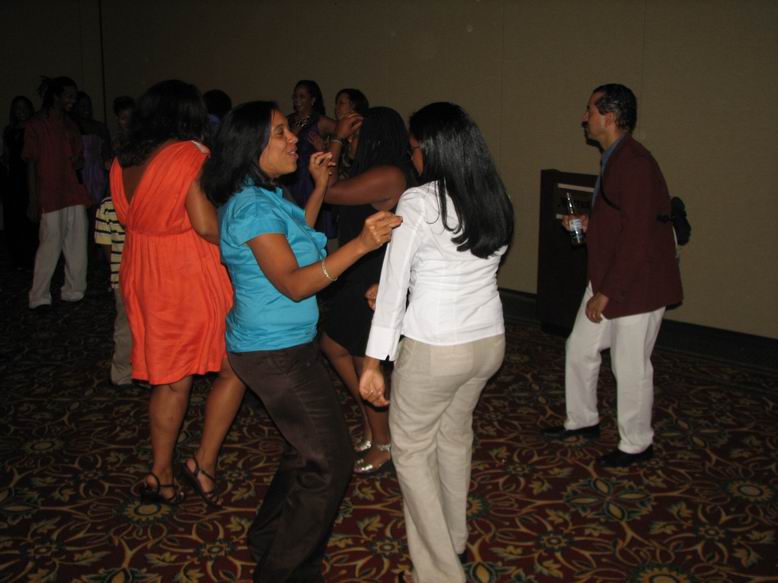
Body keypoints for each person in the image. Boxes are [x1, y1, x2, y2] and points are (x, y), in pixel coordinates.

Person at [200, 100, 401, 582]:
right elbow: (292, 282)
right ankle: (284, 571)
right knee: (331, 461)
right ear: (250, 147)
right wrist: (361, 245)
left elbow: (299, 242)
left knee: (303, 450)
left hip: (282, 345)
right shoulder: (252, 206)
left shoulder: (266, 195)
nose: (294, 137)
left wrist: (321, 187)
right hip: (273, 352)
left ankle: (268, 537)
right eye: (280, 132)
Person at [359, 102, 514, 583]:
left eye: (414, 148)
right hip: (487, 341)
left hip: (435, 348)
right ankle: (455, 538)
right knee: (453, 436)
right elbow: (458, 266)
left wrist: (372, 361)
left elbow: (395, 281)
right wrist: (398, 290)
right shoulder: (493, 194)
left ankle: (441, 573)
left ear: (433, 148)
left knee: (411, 451)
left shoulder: (419, 200)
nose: (412, 157)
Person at [110, 79, 246, 505]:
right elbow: (205, 225)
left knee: (170, 379)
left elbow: (129, 216)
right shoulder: (189, 155)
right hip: (188, 272)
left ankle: (160, 473)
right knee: (236, 365)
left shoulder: (123, 161)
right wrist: (252, 240)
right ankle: (203, 462)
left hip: (143, 269)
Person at [541, 84, 683, 467]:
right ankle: (583, 420)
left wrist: (606, 293)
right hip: (612, 276)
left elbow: (639, 237)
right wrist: (591, 223)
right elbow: (623, 219)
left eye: (589, 110)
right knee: (580, 348)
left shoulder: (634, 164)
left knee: (630, 365)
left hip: (637, 283)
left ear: (610, 116)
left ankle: (637, 443)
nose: (584, 117)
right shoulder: (616, 158)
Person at [321, 106, 414, 475]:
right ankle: (371, 420)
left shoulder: (389, 173)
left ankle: (384, 443)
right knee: (333, 345)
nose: (352, 141)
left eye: (357, 135)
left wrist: (336, 139)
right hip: (359, 273)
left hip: (374, 276)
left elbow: (327, 191)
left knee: (363, 357)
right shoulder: (377, 170)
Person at [24, 76, 92, 310]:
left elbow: (79, 157)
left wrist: (77, 161)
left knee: (77, 243)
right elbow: (31, 162)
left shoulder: (70, 124)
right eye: (68, 96)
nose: (73, 101)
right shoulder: (36, 125)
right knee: (49, 246)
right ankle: (39, 296)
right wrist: (33, 199)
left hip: (73, 190)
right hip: (51, 193)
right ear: (55, 96)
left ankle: (75, 290)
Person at [284, 80, 337, 235]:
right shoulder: (287, 121)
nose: (297, 100)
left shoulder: (320, 121)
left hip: (309, 179)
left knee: (310, 225)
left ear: (312, 100)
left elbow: (343, 135)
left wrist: (325, 149)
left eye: (302, 97)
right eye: (295, 96)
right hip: (289, 178)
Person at [93, 195, 131, 387]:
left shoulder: (108, 204)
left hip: (127, 276)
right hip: (128, 277)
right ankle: (123, 372)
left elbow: (106, 246)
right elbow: (106, 247)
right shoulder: (109, 205)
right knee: (127, 328)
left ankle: (128, 372)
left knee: (129, 328)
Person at [1, 95, 37, 270]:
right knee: (13, 217)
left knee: (28, 218)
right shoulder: (9, 130)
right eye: (17, 108)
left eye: (24, 107)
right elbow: (7, 154)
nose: (21, 111)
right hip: (13, 178)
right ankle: (17, 257)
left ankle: (31, 257)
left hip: (28, 176)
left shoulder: (34, 129)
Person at [73, 91, 111, 206]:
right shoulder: (72, 128)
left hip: (98, 172)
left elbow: (107, 152)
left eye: (88, 105)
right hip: (80, 172)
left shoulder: (99, 127)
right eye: (82, 106)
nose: (87, 109)